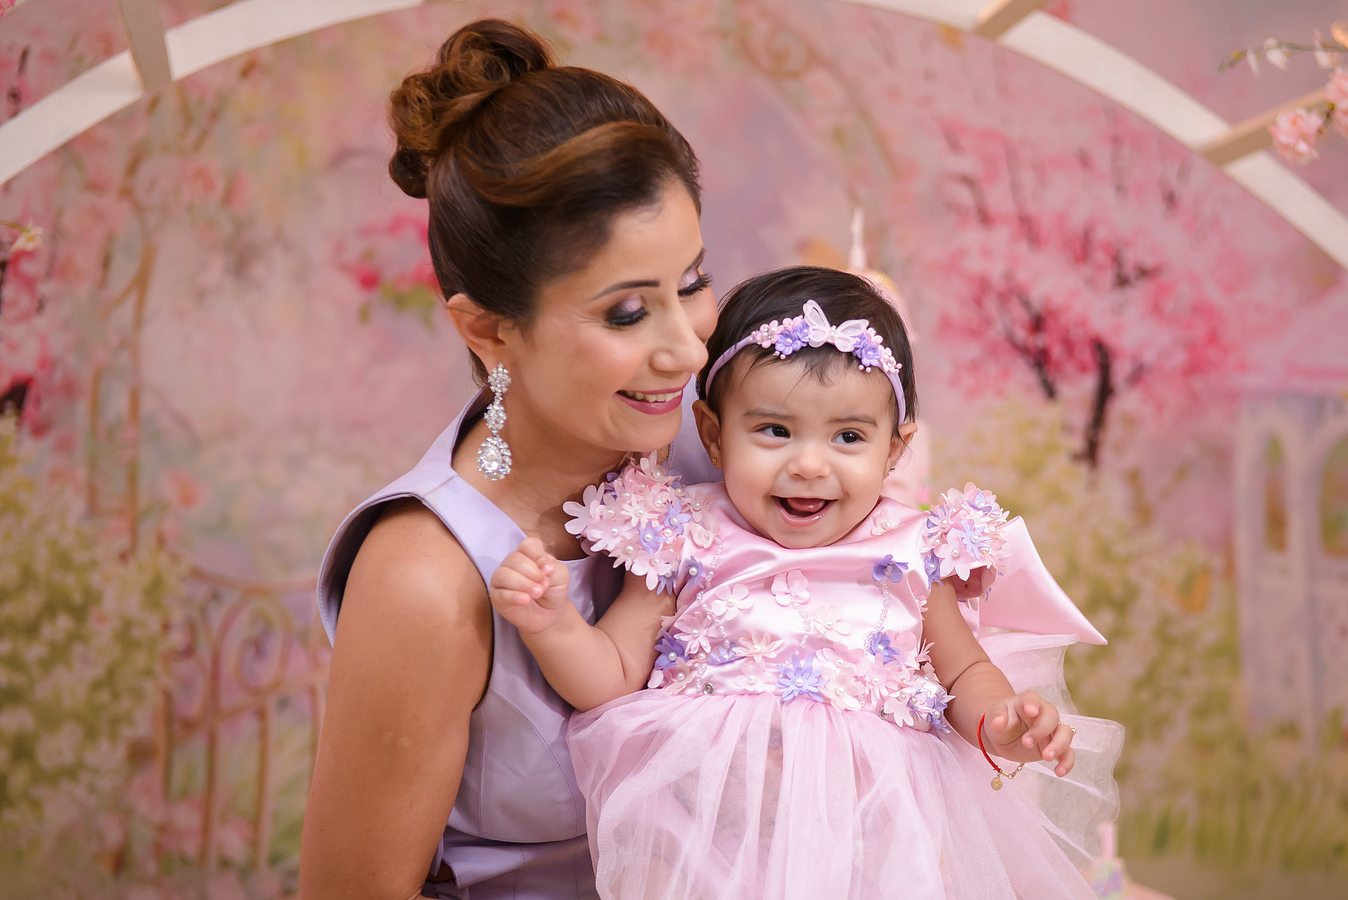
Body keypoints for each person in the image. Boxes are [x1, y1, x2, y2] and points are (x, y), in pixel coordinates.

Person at [490, 266, 1119, 898]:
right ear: (712, 433)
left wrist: (998, 723)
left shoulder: (911, 550)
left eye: (848, 436)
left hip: (867, 840)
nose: (810, 464)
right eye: (775, 430)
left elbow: (964, 673)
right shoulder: (681, 531)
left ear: (895, 450)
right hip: (707, 834)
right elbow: (612, 677)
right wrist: (554, 625)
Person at [300, 18, 717, 899]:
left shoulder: (710, 454)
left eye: (690, 284)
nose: (687, 349)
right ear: (489, 330)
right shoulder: (426, 580)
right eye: (627, 313)